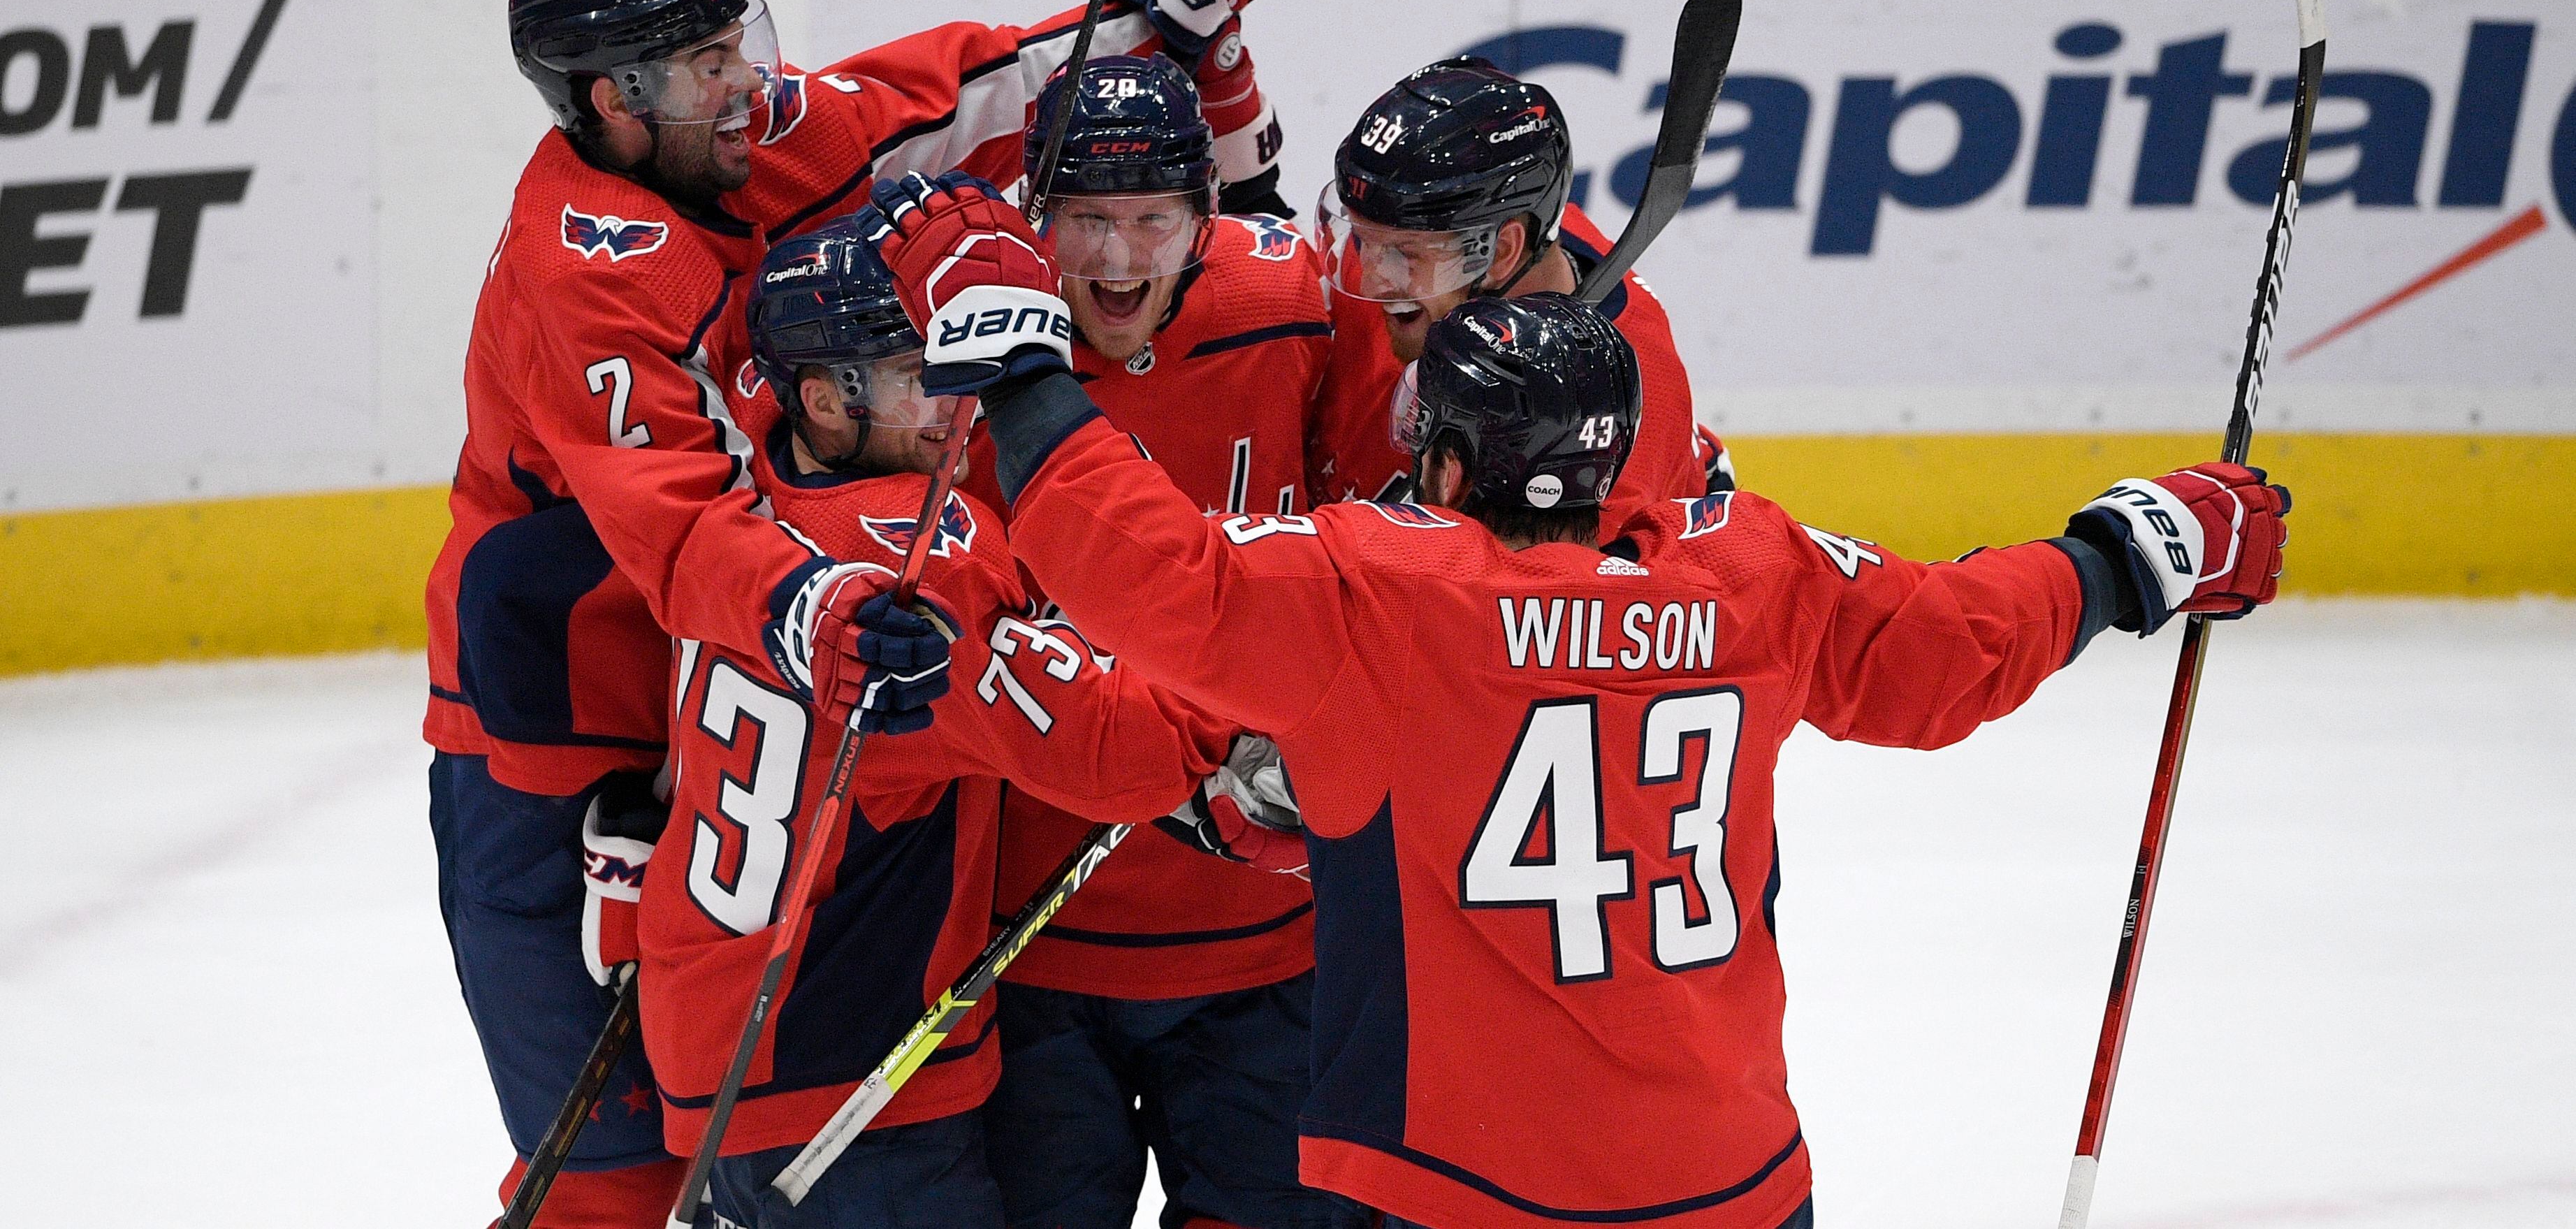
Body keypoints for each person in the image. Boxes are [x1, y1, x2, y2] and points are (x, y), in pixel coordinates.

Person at [852, 173, 2294, 1229]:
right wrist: (2128, 552)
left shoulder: (1381, 594)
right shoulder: (1750, 569)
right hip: (1727, 1179)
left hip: (1451, 1183)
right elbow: (1950, 649)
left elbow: (1143, 572)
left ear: (1453, 467)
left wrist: (1018, 363)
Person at [425, 0, 1329, 1227]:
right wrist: (817, 608)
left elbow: (960, 90)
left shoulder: (750, 129)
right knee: (605, 1176)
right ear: (614, 102)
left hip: (747, 691)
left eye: (741, 43)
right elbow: (684, 522)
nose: (750, 85)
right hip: (560, 711)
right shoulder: (586, 271)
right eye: (702, 65)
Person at [633, 221, 1289, 1226]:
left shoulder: (740, 498)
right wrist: (1256, 677)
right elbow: (1110, 746)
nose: (955, 401)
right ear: (821, 399)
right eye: (911, 376)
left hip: (712, 1027)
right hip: (851, 1063)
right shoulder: (919, 555)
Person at [973, 55, 1353, 1229]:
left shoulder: (1296, 305)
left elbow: (1403, 532)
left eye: (1152, 218)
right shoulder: (956, 353)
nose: (1120, 258)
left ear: (1207, 217)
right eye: (1087, 218)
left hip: (1267, 946)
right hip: (1027, 952)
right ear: (1036, 214)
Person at [1305, 59, 1730, 518]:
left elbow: (1556, 587)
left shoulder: (1622, 421)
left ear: (1502, 251)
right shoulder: (1415, 251)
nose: (1368, 280)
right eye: (1362, 239)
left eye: (1403, 253)